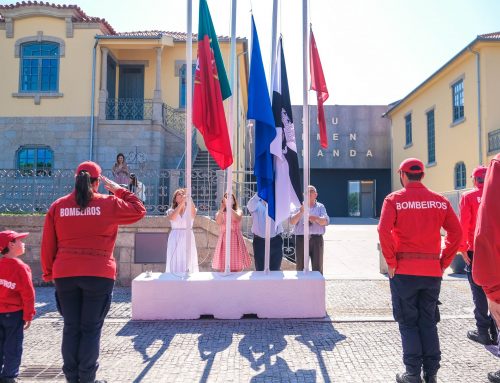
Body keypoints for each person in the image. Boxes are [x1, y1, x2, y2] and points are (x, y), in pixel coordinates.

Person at [41, 161, 146, 383]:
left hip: (65, 273)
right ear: (98, 182)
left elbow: (48, 244)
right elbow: (139, 209)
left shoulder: (58, 206)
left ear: (75, 180)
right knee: (90, 328)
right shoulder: (108, 203)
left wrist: (48, 272)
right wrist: (119, 190)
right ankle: (87, 378)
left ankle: (72, 377)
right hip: (98, 273)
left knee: (71, 327)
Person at [378, 158, 462, 383]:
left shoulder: (394, 199)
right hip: (431, 272)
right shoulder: (440, 201)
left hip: (403, 271)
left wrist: (391, 261)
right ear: (422, 175)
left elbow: (383, 230)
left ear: (402, 175)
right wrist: (443, 262)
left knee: (408, 322)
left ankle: (413, 374)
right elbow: (457, 233)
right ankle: (431, 373)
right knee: (428, 321)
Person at [458, 165, 497, 345]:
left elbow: (464, 224)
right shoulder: (495, 194)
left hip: (475, 250)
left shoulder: (468, 197)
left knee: (478, 291)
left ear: (474, 180)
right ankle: (495, 330)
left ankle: (483, 332)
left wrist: (463, 248)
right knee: (495, 290)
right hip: (495, 249)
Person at [472, 154, 500, 383]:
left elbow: (485, 231)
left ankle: (484, 332)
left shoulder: (498, 166)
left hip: (485, 258)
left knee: (481, 301)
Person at [0, 231, 35, 383]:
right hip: (13, 314)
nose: (24, 243)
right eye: (20, 240)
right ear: (11, 244)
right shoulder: (21, 268)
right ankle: (9, 376)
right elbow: (28, 294)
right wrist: (28, 315)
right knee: (13, 346)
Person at [290, 185, 329, 274]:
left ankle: (316, 287)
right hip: (301, 239)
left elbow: (326, 221)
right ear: (304, 195)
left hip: (316, 239)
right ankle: (301, 287)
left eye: (311, 191)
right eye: (306, 192)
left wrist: (315, 218)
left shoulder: (320, 207)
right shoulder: (298, 206)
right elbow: (292, 222)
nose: (309, 194)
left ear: (316, 195)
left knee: (317, 267)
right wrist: (301, 212)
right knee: (300, 267)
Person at [212, 193, 251, 272]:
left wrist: (229, 207)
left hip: (235, 239)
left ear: (234, 201)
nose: (228, 200)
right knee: (223, 266)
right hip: (224, 240)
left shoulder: (238, 211)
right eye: (226, 198)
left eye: (231, 198)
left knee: (237, 266)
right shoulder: (220, 212)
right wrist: (222, 209)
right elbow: (219, 222)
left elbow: (237, 218)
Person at [165, 188, 199, 273]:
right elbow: (172, 217)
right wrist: (182, 203)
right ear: (175, 198)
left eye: (183, 194)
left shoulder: (190, 209)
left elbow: (194, 214)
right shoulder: (170, 211)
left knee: (187, 257)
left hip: (188, 235)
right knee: (175, 257)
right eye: (179, 194)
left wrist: (189, 198)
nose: (181, 195)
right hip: (175, 236)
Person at [247, 193, 284, 271]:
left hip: (275, 240)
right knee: (260, 268)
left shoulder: (277, 204)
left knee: (275, 269)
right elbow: (250, 206)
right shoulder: (256, 204)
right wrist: (260, 192)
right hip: (260, 241)